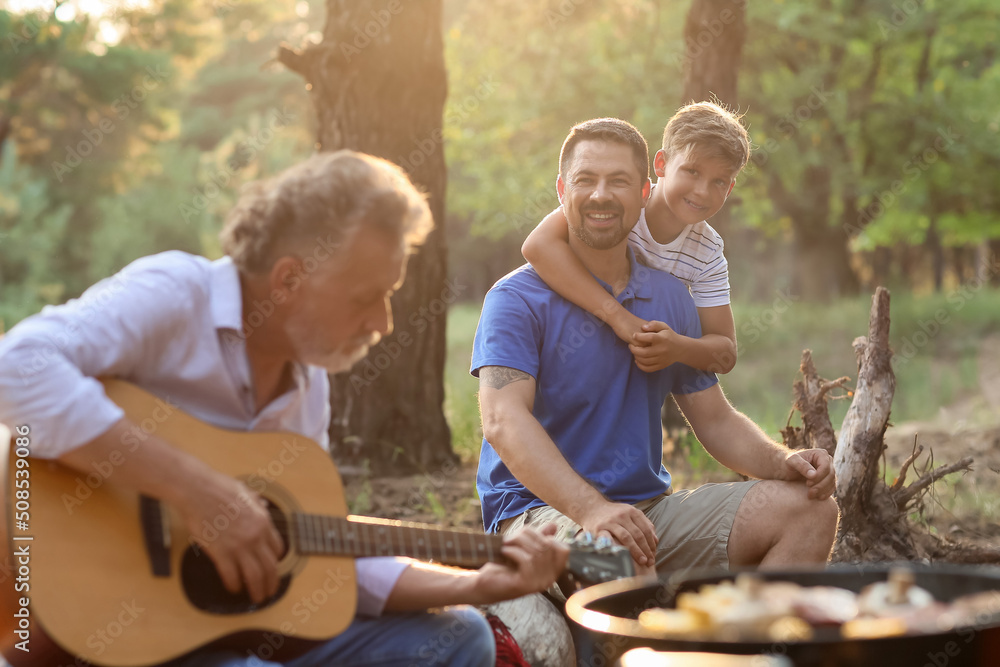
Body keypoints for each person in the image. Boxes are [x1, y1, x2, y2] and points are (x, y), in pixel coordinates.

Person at [0, 150, 568, 666]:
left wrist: (475, 585)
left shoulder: (307, 382)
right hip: (112, 629)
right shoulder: (176, 294)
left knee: (461, 637)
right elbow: (16, 367)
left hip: (220, 634)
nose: (383, 323)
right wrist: (196, 490)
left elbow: (323, 554)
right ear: (290, 277)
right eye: (365, 297)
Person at [473, 118, 839, 578]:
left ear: (645, 191)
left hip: (645, 513)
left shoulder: (669, 296)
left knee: (812, 512)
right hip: (537, 516)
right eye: (586, 180)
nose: (602, 195)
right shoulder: (515, 299)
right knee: (617, 555)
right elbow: (502, 422)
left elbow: (716, 419)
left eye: (620, 181)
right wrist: (591, 511)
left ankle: (745, 643)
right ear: (562, 190)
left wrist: (783, 462)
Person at [521, 102, 748, 375]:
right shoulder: (619, 205)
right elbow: (536, 246)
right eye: (692, 171)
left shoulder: (707, 252)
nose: (702, 191)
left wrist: (678, 348)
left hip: (641, 359)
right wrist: (620, 319)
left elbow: (725, 351)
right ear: (662, 164)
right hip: (575, 335)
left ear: (731, 187)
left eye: (719, 182)